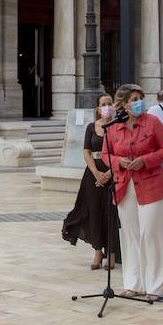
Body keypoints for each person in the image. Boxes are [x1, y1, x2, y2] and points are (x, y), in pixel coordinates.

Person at [104, 84, 163, 299]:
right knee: (130, 235)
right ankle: (133, 284)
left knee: (150, 234)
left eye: (141, 98)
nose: (139, 102)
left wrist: (145, 161)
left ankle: (155, 287)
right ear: (124, 103)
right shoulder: (114, 127)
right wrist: (118, 161)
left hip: (151, 185)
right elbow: (106, 154)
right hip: (125, 186)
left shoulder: (153, 122)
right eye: (134, 98)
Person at [61, 92, 120, 271]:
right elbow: (86, 151)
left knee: (110, 212)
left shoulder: (118, 126)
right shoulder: (91, 127)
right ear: (97, 108)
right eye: (104, 103)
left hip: (113, 174)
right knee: (93, 211)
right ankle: (97, 250)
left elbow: (121, 152)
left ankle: (111, 252)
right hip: (93, 176)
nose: (107, 106)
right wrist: (96, 173)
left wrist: (108, 174)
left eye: (110, 103)